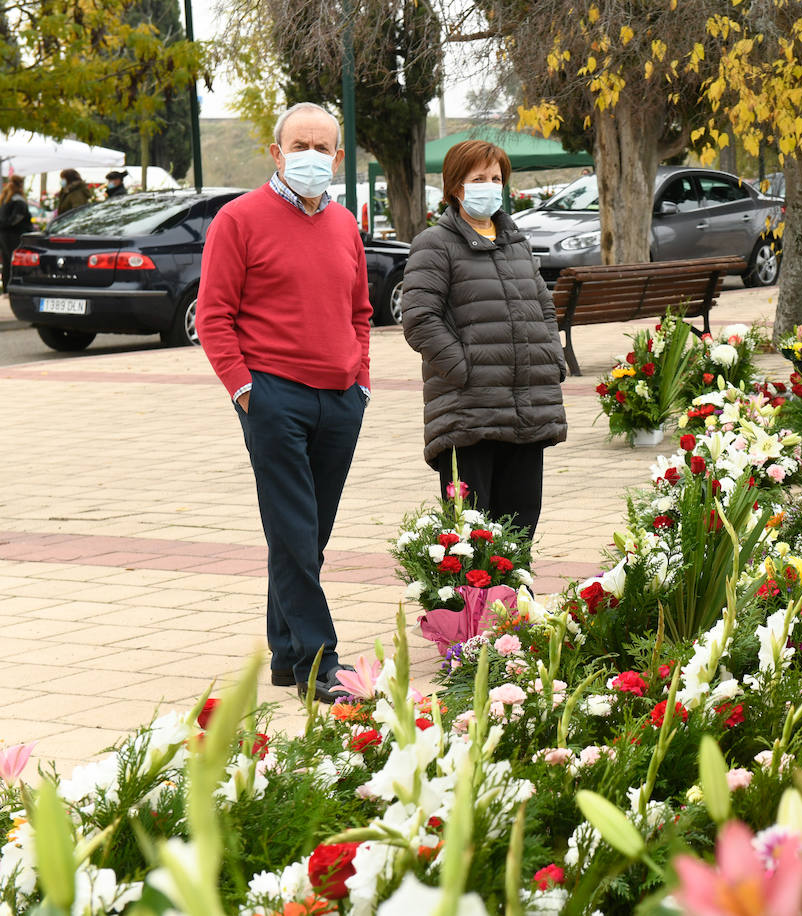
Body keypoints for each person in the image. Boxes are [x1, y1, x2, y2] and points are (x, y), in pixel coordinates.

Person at [196, 102, 372, 703]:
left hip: (341, 400)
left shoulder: (345, 224)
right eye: (300, 144)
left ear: (338, 157)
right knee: (295, 533)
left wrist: (362, 382)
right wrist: (246, 390)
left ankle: (284, 652)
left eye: (323, 147)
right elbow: (213, 313)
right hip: (274, 397)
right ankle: (318, 665)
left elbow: (360, 312)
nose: (312, 156)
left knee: (308, 535)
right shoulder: (238, 220)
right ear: (276, 152)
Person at [402, 139, 567, 541]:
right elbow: (419, 319)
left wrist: (553, 360)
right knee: (473, 538)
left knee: (519, 532)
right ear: (456, 186)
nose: (490, 186)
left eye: (496, 178)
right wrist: (466, 370)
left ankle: (515, 605)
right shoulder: (435, 244)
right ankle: (473, 608)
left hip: (528, 410)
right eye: (479, 178)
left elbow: (544, 307)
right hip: (469, 415)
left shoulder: (515, 241)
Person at [0, 175, 33, 292]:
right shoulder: (19, 200)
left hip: (4, 235)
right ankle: (14, 288)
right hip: (15, 235)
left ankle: (6, 289)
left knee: (6, 262)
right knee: (15, 262)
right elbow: (16, 219)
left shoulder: (5, 198)